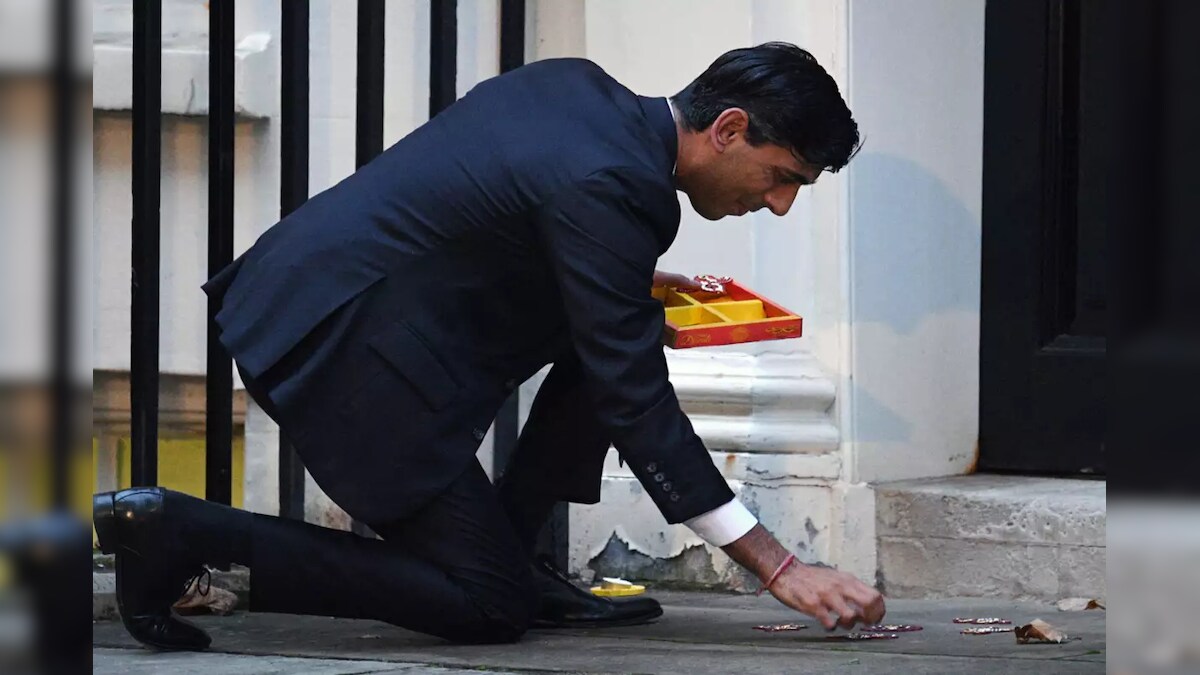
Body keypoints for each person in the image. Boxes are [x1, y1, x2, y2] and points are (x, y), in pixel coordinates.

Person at [93, 42, 885, 651]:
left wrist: (614, 282)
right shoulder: (614, 184)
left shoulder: (577, 89)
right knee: (486, 602)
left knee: (625, 324)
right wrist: (781, 565)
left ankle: (518, 551)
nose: (778, 204)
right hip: (341, 351)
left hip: (319, 303)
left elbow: (493, 211)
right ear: (730, 129)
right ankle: (181, 535)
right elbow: (635, 399)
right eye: (782, 176)